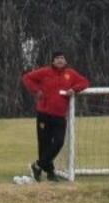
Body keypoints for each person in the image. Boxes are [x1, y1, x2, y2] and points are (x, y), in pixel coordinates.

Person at [21, 51, 90, 182]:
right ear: (53, 61)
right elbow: (26, 78)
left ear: (65, 61)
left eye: (62, 58)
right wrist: (37, 91)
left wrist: (74, 89)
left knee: (59, 142)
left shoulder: (70, 74)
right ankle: (50, 172)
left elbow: (85, 82)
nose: (60, 60)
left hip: (60, 115)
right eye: (57, 58)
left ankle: (37, 166)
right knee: (44, 144)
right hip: (44, 114)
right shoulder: (44, 72)